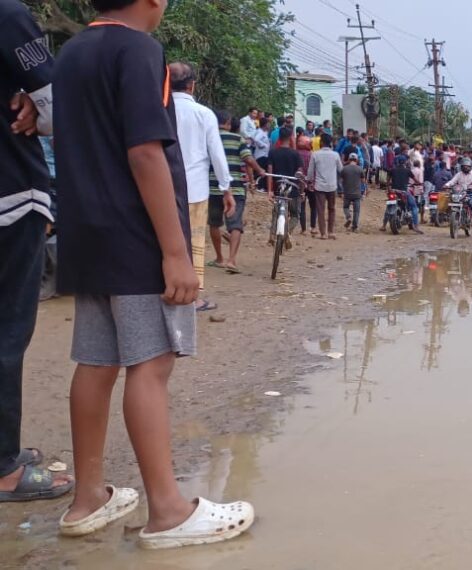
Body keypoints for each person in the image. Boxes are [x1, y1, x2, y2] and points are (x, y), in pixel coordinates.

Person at [54, 0, 254, 546]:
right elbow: (144, 153)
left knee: (96, 360)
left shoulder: (71, 52)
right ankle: (168, 510)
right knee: (152, 361)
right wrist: (175, 252)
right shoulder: (139, 50)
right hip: (134, 233)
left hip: (86, 231)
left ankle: (87, 498)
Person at [0, 0, 75, 504]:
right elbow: (55, 107)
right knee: (7, 329)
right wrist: (38, 105)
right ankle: (4, 468)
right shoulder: (7, 15)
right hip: (9, 194)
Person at [170, 62, 232, 312]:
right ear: (192, 85)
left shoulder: (156, 109)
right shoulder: (204, 114)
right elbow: (216, 154)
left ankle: (166, 289)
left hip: (161, 188)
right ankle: (193, 297)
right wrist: (226, 188)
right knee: (193, 241)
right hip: (195, 189)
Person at [209, 112, 263, 274]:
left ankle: (219, 258)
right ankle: (231, 260)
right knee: (235, 224)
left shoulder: (208, 138)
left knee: (214, 223)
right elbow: (248, 159)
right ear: (227, 122)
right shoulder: (237, 139)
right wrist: (259, 170)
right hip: (236, 187)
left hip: (213, 187)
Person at [267, 126, 303, 243]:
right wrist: (302, 191)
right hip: (293, 190)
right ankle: (286, 232)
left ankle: (272, 235)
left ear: (279, 138)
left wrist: (269, 190)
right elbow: (300, 173)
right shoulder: (295, 154)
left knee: (276, 213)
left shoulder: (273, 152)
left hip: (278, 188)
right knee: (295, 215)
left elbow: (270, 172)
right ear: (291, 138)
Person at [306, 133, 342, 239]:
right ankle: (331, 231)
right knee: (332, 209)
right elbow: (341, 169)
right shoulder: (335, 155)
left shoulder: (315, 154)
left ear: (321, 142)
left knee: (320, 210)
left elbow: (310, 172)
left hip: (319, 186)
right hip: (332, 186)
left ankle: (323, 233)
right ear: (330, 143)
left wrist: (309, 182)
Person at [389, 156, 422, 234]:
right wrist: (419, 183)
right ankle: (416, 226)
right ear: (405, 162)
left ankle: (383, 225)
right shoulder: (408, 171)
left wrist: (389, 188)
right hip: (403, 192)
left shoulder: (392, 170)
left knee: (389, 206)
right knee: (414, 207)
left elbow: (388, 181)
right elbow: (416, 180)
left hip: (393, 191)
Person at [339, 153, 364, 232]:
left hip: (347, 193)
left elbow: (341, 181)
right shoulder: (360, 169)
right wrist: (364, 192)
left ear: (349, 160)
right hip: (357, 193)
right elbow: (363, 182)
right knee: (356, 211)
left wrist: (341, 192)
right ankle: (355, 227)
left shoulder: (344, 169)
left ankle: (348, 217)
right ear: (356, 160)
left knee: (346, 207)